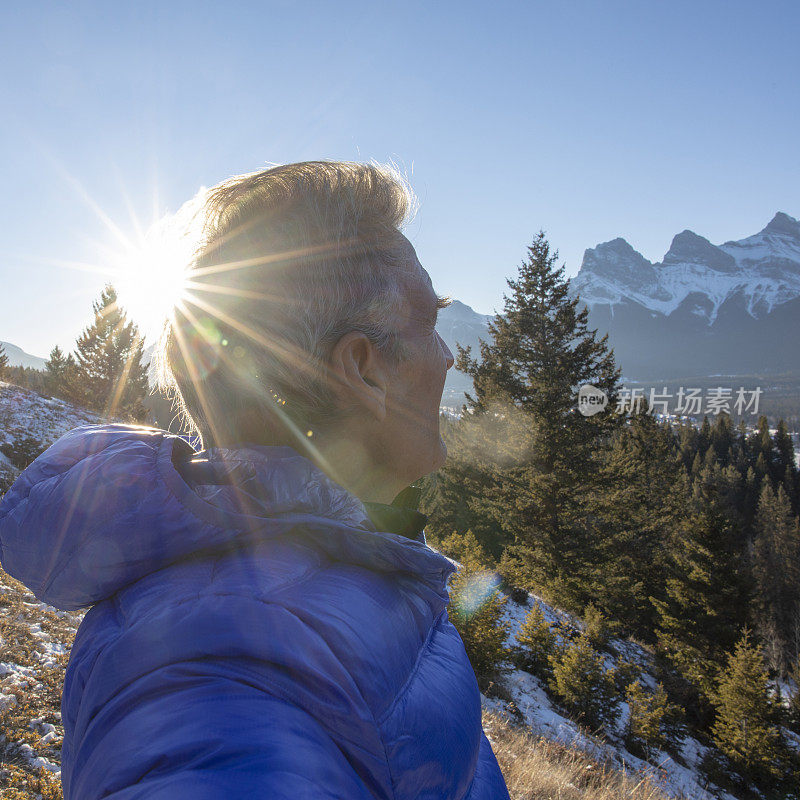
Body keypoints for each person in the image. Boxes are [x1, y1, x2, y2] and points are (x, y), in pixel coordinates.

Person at [0, 161, 510, 799]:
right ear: (364, 370)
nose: (450, 356)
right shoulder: (227, 667)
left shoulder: (344, 571)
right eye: (431, 323)